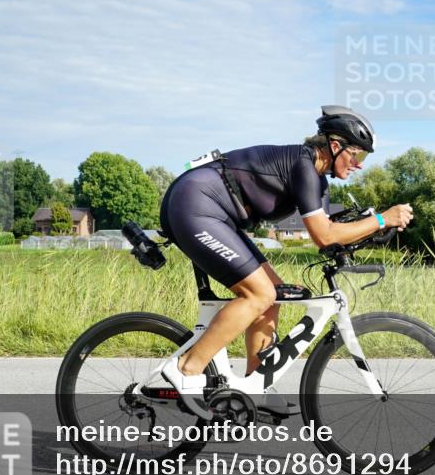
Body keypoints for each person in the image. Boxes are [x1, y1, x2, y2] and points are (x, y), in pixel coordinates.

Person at [158, 105, 414, 412]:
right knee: (260, 293)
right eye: (357, 155)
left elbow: (331, 232)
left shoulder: (317, 180)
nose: (359, 165)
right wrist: (383, 219)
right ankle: (187, 368)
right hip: (195, 206)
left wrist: (371, 228)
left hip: (217, 216)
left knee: (273, 294)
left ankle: (256, 386)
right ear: (335, 146)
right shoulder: (303, 166)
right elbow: (325, 235)